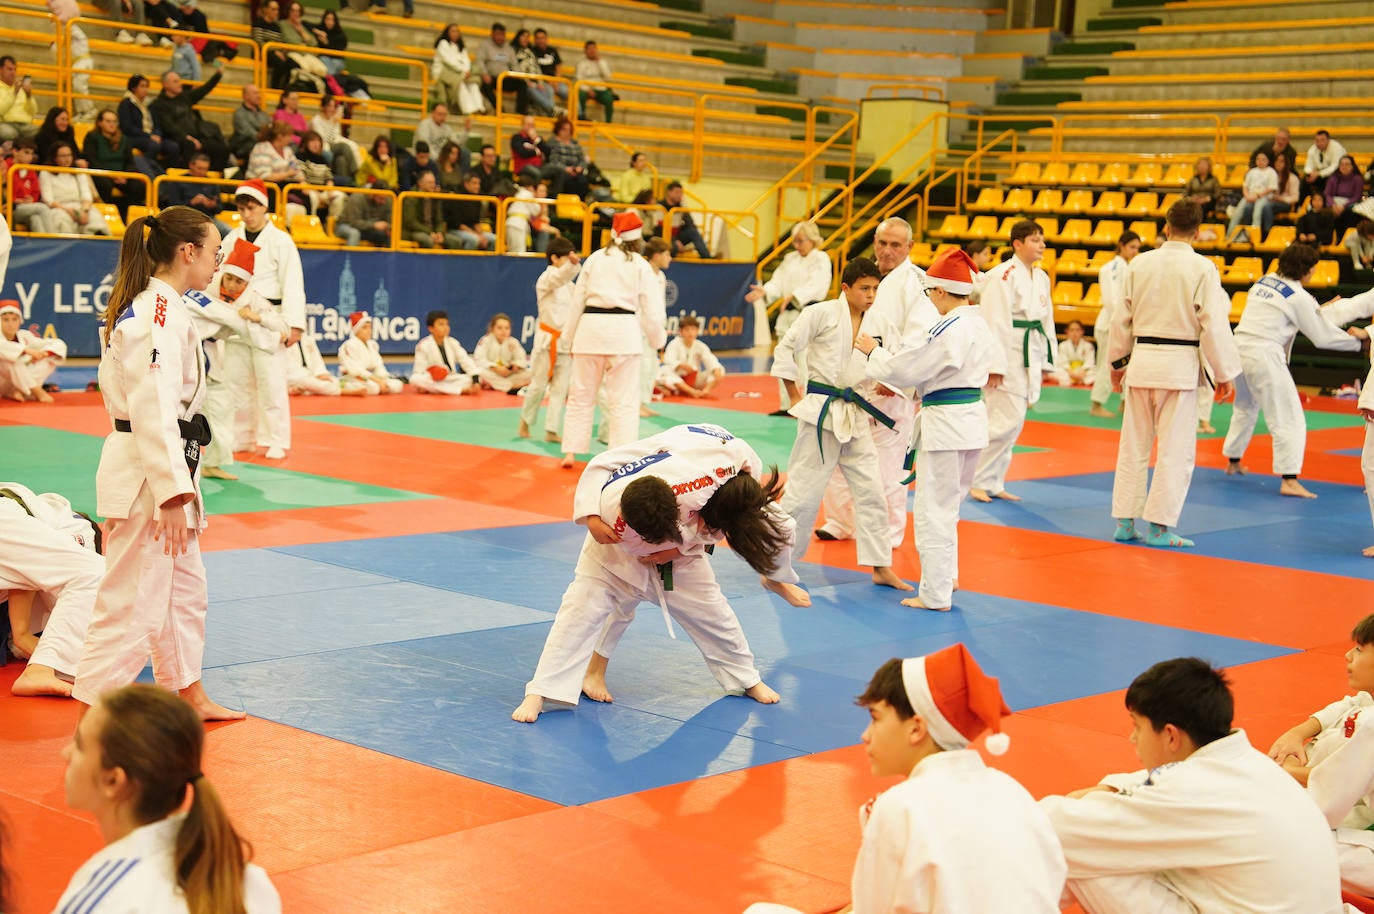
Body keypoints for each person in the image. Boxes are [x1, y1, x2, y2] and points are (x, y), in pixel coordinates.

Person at [72, 206, 243, 720]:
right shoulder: (156, 315)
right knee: (131, 602)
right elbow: (151, 406)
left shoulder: (169, 307)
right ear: (187, 252)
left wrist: (181, 485)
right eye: (214, 251)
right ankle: (92, 718)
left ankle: (188, 693)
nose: (217, 262)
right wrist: (171, 492)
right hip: (149, 476)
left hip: (171, 465)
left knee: (184, 592)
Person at [512, 423, 800, 723]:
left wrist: (681, 549)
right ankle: (540, 690)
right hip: (612, 540)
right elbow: (601, 463)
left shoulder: (742, 475)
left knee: (714, 614)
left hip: (682, 550)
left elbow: (720, 527)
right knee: (580, 612)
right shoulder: (622, 499)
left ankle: (747, 678)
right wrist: (591, 517)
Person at [750, 644, 1064, 914]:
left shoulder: (901, 807)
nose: (865, 735)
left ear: (916, 728)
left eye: (875, 719)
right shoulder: (1013, 791)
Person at [1040, 657, 1345, 914]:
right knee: (1105, 838)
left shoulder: (1191, 791)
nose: (1133, 739)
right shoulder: (1251, 764)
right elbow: (1161, 782)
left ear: (1171, 735)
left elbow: (1057, 825)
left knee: (1087, 851)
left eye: (1137, 727)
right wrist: (1109, 789)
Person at [56, 684, 280, 911]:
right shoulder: (248, 881)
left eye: (80, 745)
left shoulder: (104, 897)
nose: (65, 753)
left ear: (113, 781)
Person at [855, 248, 993, 611]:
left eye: (932, 293)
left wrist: (873, 353)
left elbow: (910, 369)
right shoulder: (979, 322)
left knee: (935, 509)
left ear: (943, 292)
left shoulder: (950, 327)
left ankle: (934, 594)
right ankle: (947, 577)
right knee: (951, 506)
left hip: (946, 423)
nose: (931, 299)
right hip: (972, 421)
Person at [773, 257, 912, 593]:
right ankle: (776, 566)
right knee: (803, 494)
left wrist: (887, 380)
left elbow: (893, 359)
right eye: (864, 288)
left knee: (872, 492)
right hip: (820, 412)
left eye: (876, 288)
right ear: (846, 288)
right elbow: (787, 348)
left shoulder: (879, 321)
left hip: (857, 415)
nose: (871, 295)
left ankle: (880, 566)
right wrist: (794, 395)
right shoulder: (819, 313)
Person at [1108, 199, 1241, 548]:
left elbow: (1119, 320)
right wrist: (1225, 373)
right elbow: (1213, 324)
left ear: (1166, 227)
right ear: (1197, 232)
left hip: (1141, 362)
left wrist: (1117, 364)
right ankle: (1159, 528)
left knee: (1132, 445)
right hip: (1179, 368)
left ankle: (1125, 521)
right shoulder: (1202, 268)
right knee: (1174, 450)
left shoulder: (1139, 263)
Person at [816, 216, 934, 546]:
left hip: (889, 387)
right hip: (851, 383)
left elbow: (919, 338)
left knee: (887, 466)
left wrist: (899, 381)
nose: (887, 250)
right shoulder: (863, 275)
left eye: (895, 244)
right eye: (882, 242)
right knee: (841, 456)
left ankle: (888, 531)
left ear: (909, 247)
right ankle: (841, 521)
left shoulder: (917, 283)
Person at [1221, 243, 1366, 498]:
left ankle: (1233, 460)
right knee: (1289, 416)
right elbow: (1321, 336)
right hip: (1264, 354)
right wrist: (1360, 343)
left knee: (1245, 406)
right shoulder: (1299, 297)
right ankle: (1289, 479)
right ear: (1306, 269)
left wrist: (1317, 310)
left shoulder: (1266, 281)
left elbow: (1299, 310)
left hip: (1238, 348)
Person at [1267, 613, 1374, 893]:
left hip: (1353, 822)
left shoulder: (1372, 725)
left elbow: (1330, 797)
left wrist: (1288, 772)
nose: (1349, 655)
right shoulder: (1367, 706)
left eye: (1360, 649)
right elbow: (1352, 702)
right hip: (1348, 806)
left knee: (1277, 840)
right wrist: (1299, 732)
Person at [559, 211, 666, 467]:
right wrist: (658, 340)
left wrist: (568, 336)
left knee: (580, 395)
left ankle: (571, 452)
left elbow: (578, 300)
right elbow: (652, 308)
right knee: (624, 399)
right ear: (637, 240)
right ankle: (621, 455)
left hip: (590, 331)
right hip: (623, 334)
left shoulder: (595, 259)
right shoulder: (640, 265)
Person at [220, 179, 306, 460]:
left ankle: (276, 439)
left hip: (269, 318)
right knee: (236, 382)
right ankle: (241, 437)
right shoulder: (232, 238)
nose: (246, 213)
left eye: (252, 207)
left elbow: (293, 283)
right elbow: (219, 277)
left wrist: (293, 325)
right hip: (236, 316)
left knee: (271, 383)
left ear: (264, 207)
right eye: (242, 208)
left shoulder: (281, 240)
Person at [188, 237, 286, 481]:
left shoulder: (254, 299)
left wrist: (257, 319)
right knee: (216, 404)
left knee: (232, 402)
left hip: (237, 347)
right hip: (204, 354)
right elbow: (230, 320)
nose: (231, 284)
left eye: (238, 280)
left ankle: (218, 459)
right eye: (228, 277)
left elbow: (279, 325)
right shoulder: (204, 291)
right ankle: (205, 460)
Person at [970, 219, 1052, 503]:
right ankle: (976, 479)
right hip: (1006, 355)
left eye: (1042, 239)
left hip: (1029, 354)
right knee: (1002, 421)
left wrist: (1048, 357)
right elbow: (994, 322)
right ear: (1017, 244)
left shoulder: (1041, 277)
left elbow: (1046, 321)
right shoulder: (1001, 275)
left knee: (1014, 424)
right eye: (1034, 239)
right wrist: (994, 366)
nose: (1041, 244)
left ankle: (993, 481)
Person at [2, 478, 103, 697]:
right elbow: (31, 566)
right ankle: (39, 671)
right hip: (6, 516)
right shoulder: (82, 530)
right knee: (97, 572)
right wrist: (22, 634)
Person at [519, 236, 579, 439]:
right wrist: (573, 265)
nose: (569, 261)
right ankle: (524, 423)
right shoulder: (546, 279)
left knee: (560, 390)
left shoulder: (571, 287)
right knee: (537, 386)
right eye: (565, 257)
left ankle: (551, 429)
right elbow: (559, 277)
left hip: (565, 343)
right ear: (554, 258)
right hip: (547, 342)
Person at [745, 221, 831, 347]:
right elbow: (778, 281)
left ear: (812, 239)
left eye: (800, 241)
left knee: (805, 359)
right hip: (787, 316)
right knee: (783, 356)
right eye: (794, 241)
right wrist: (766, 290)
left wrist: (794, 296)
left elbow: (817, 285)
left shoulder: (821, 258)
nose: (796, 246)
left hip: (809, 314)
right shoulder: (790, 258)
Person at [1089, 231, 1141, 417]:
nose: (1135, 251)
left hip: (1127, 324)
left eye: (1137, 248)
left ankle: (1126, 402)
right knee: (1107, 363)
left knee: (1128, 364)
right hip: (1110, 324)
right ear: (1122, 245)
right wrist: (1124, 319)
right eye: (1132, 247)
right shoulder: (1110, 268)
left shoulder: (1133, 268)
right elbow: (1111, 300)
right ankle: (1097, 404)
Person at [150, 66, 228, 171]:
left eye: (179, 81)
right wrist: (187, 137)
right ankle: (186, 178)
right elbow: (169, 126)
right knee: (188, 145)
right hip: (177, 138)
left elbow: (204, 89)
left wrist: (218, 75)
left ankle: (212, 178)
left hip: (196, 136)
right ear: (166, 85)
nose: (180, 84)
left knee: (222, 149)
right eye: (175, 81)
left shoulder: (185, 97)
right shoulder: (159, 104)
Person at [40, 143, 111, 236]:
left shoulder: (78, 172)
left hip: (80, 207)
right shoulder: (46, 172)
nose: (67, 159)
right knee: (60, 219)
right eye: (63, 156)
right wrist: (69, 211)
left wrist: (84, 211)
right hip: (59, 208)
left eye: (69, 155)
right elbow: (48, 199)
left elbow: (87, 196)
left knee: (94, 217)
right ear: (55, 158)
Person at [0, 299, 63, 401]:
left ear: (20, 320)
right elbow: (3, 347)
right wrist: (27, 351)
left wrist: (44, 354)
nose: (10, 324)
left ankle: (17, 392)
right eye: (6, 320)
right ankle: (37, 391)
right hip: (2, 382)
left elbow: (57, 343)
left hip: (21, 380)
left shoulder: (25, 336)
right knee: (14, 362)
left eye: (14, 319)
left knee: (48, 361)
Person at [410, 308, 479, 395]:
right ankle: (459, 390)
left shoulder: (453, 342)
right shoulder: (423, 345)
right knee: (415, 379)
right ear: (431, 328)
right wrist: (435, 372)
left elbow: (465, 360)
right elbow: (419, 371)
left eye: (447, 324)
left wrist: (475, 379)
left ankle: (437, 389)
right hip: (432, 379)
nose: (446, 328)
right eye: (441, 324)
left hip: (450, 378)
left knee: (469, 379)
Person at [159, 151, 230, 235]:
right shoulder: (178, 181)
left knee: (229, 232)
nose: (202, 172)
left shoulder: (212, 182)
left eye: (205, 169)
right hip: (184, 219)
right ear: (191, 165)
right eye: (199, 168)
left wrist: (211, 205)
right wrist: (191, 203)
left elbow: (219, 208)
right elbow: (172, 206)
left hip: (208, 219)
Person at [117, 73, 179, 167]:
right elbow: (127, 128)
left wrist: (157, 134)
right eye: (142, 86)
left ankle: (165, 174)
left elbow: (157, 123)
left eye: (147, 86)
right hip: (133, 137)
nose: (146, 89)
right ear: (134, 88)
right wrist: (149, 136)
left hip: (151, 136)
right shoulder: (126, 104)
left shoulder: (150, 104)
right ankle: (147, 171)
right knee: (153, 145)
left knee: (173, 146)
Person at [657, 314, 724, 398]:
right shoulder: (674, 344)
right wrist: (680, 365)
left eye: (693, 329)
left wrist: (715, 369)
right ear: (680, 331)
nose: (690, 333)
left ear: (697, 331)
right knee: (665, 371)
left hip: (693, 380)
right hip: (677, 380)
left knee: (720, 370)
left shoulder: (700, 346)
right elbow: (668, 360)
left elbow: (710, 359)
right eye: (687, 330)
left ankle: (705, 392)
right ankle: (691, 392)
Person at [338, 311, 402, 394]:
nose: (368, 330)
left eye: (370, 327)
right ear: (356, 330)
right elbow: (356, 370)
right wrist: (377, 381)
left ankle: (381, 387)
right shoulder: (349, 345)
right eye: (364, 328)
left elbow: (378, 365)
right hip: (353, 378)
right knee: (373, 387)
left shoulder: (372, 345)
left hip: (372, 378)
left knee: (397, 385)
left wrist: (382, 379)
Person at [1226, 150, 1278, 245]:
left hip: (1263, 196)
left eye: (1263, 159)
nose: (1260, 161)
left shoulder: (1271, 172)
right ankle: (1229, 236)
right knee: (1237, 213)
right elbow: (1245, 186)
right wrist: (1246, 195)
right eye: (1258, 159)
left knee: (1257, 214)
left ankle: (1255, 238)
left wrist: (1258, 195)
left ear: (1268, 161)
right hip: (1249, 195)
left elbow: (1271, 188)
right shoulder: (1252, 172)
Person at [431, 25, 484, 116]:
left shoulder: (461, 47)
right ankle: (468, 109)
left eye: (457, 31)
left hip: (461, 72)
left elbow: (466, 60)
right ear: (447, 32)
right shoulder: (443, 44)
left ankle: (479, 108)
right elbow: (448, 61)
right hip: (445, 72)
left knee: (473, 83)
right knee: (460, 83)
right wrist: (463, 71)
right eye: (453, 31)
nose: (455, 33)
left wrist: (466, 70)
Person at [474, 312, 531, 393]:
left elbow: (522, 359)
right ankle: (510, 387)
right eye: (499, 328)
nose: (503, 331)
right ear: (492, 328)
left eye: (507, 328)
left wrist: (515, 366)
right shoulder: (485, 340)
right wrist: (495, 368)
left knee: (530, 373)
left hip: (509, 375)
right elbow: (479, 360)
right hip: (492, 373)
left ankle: (497, 385)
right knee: (480, 372)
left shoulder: (513, 342)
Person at [6, 139, 53, 232]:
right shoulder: (5, 167)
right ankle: (55, 241)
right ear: (15, 152)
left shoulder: (31, 171)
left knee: (35, 219)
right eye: (26, 153)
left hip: (28, 208)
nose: (30, 157)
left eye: (32, 154)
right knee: (42, 208)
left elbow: (35, 192)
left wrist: (32, 199)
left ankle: (44, 245)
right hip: (10, 208)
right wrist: (15, 200)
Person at [657, 180, 710, 258]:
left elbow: (690, 224)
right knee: (673, 246)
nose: (679, 195)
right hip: (663, 236)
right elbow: (659, 229)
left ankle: (707, 258)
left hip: (677, 236)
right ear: (669, 192)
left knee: (693, 232)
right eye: (677, 192)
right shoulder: (660, 207)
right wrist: (675, 241)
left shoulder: (681, 207)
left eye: (681, 193)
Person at [446, 170, 495, 250]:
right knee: (473, 240)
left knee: (494, 239)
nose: (478, 186)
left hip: (471, 230)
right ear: (466, 184)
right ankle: (465, 261)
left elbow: (476, 223)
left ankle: (487, 262)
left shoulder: (477, 199)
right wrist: (477, 236)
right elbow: (458, 224)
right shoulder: (456, 197)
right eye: (474, 183)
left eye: (479, 183)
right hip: (455, 230)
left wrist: (481, 235)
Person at [401, 169, 451, 248]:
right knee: (428, 241)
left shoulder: (436, 196)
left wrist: (439, 232)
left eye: (434, 182)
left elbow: (440, 220)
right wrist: (429, 232)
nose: (433, 185)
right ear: (420, 183)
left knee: (455, 241)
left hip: (433, 231)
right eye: (430, 182)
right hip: (415, 231)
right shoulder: (411, 196)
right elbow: (410, 222)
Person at [512, 28, 556, 117]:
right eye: (523, 36)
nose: (525, 39)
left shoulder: (531, 52)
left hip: (536, 79)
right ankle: (552, 110)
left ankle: (550, 112)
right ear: (518, 37)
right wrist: (526, 81)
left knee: (549, 89)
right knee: (531, 89)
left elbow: (537, 67)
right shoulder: (513, 51)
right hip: (523, 81)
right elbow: (514, 68)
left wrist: (540, 82)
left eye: (527, 36)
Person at [336, 181, 392, 246]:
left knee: (390, 236)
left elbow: (389, 221)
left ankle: (390, 256)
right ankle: (351, 256)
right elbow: (354, 223)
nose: (383, 202)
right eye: (381, 198)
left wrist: (388, 227)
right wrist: (374, 225)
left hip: (370, 230)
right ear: (372, 194)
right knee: (354, 233)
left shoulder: (388, 200)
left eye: (385, 199)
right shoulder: (357, 198)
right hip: (346, 225)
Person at [473, 22, 514, 112]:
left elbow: (515, 65)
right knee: (484, 84)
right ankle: (499, 108)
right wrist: (484, 73)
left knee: (522, 84)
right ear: (492, 34)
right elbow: (479, 61)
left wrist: (519, 76)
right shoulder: (484, 46)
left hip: (505, 78)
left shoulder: (509, 48)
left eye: (502, 35)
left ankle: (522, 112)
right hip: (491, 77)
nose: (500, 37)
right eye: (498, 34)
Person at [1328, 155, 1366, 243]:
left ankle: (1346, 240)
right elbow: (1327, 194)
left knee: (1349, 213)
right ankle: (1328, 240)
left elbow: (1356, 197)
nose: (1344, 166)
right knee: (1323, 212)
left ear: (1352, 166)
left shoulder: (1358, 179)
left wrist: (1343, 207)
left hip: (1350, 205)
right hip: (1334, 205)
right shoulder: (1333, 178)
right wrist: (1333, 205)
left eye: (1347, 164)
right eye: (1341, 164)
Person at [0, 57, 38, 142]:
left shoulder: (21, 88)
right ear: (1, 70)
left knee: (43, 133)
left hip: (24, 125)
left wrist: (29, 95)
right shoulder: (16, 89)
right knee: (9, 134)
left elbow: (33, 112)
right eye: (9, 69)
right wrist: (14, 93)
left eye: (14, 69)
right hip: (4, 124)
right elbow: (1, 110)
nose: (13, 73)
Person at [230, 84, 270, 164]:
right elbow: (248, 133)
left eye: (259, 93)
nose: (259, 96)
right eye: (255, 93)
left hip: (262, 143)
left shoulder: (263, 114)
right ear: (246, 96)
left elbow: (269, 128)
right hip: (244, 146)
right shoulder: (239, 113)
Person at [575, 40, 614, 122]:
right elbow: (579, 79)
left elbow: (608, 77)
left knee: (609, 98)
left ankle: (608, 122)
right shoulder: (581, 63)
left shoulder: (602, 62)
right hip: (586, 89)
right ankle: (582, 118)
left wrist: (599, 62)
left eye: (594, 48)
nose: (592, 51)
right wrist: (587, 90)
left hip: (600, 89)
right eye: (590, 49)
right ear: (585, 51)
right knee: (580, 95)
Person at [1051, 320, 1096, 387]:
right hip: (1068, 372)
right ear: (1067, 332)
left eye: (1077, 330)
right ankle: (1080, 380)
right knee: (1053, 371)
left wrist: (1082, 372)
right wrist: (1072, 374)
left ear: (1082, 331)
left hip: (1083, 372)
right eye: (1072, 330)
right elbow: (1063, 363)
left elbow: (1089, 363)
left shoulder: (1088, 346)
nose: (1075, 333)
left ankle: (1077, 380)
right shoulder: (1062, 345)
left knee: (1096, 372)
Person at [1304, 129, 1347, 197]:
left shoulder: (1336, 148)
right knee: (1305, 180)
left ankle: (1324, 201)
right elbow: (1307, 166)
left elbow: (1335, 167)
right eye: (1317, 140)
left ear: (1328, 140)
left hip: (1336, 175)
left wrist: (1319, 173)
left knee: (1330, 179)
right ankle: (1304, 204)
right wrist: (1311, 173)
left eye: (1322, 140)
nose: (1319, 143)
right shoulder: (1313, 149)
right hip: (1319, 175)